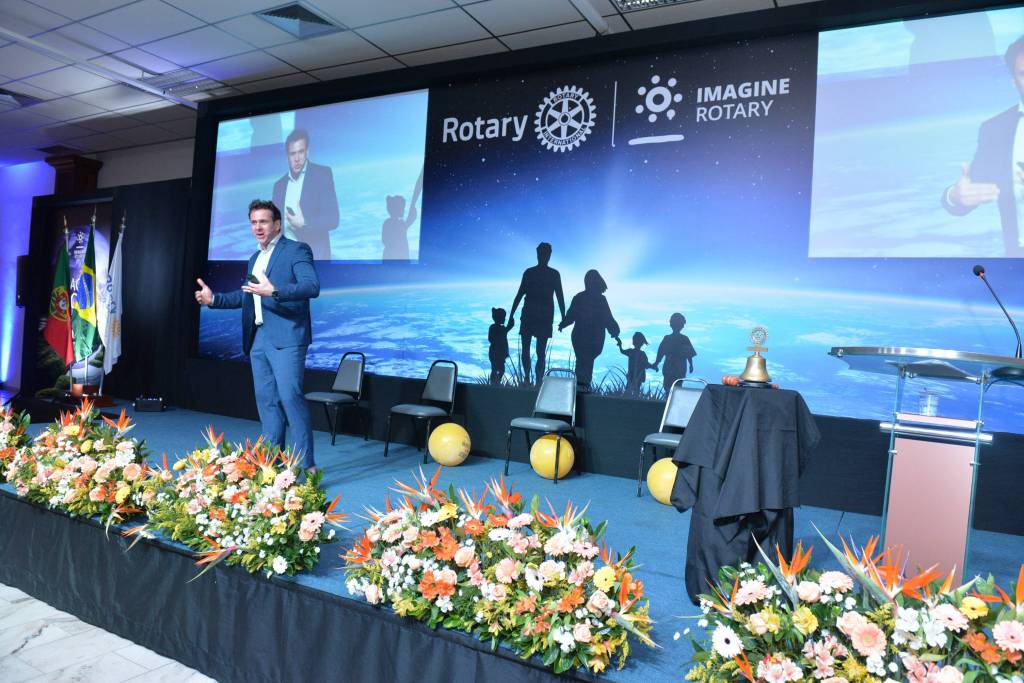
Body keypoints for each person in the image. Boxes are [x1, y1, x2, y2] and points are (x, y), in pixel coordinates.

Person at [194, 200, 320, 471]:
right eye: (253, 222)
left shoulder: (296, 250)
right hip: (258, 338)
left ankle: (305, 465)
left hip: (287, 337)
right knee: (267, 402)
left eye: (263, 221)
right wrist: (214, 299)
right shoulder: (255, 258)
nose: (258, 227)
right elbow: (247, 296)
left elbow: (311, 286)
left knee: (290, 399)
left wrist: (274, 291)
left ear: (277, 224)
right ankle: (271, 464)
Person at [941, 35, 1024, 257]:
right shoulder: (994, 130)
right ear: (1013, 80)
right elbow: (969, 190)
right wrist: (955, 196)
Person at [272, 128, 340, 261]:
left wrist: (305, 223)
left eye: (301, 152)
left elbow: (333, 219)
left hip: (314, 259)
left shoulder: (322, 175)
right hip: (286, 260)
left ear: (307, 152)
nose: (297, 159)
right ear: (287, 156)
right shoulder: (279, 186)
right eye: (293, 154)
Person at [509, 242, 565, 385]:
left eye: (545, 253)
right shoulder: (536, 273)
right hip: (534, 316)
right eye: (542, 253)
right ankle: (529, 378)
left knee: (537, 351)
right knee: (532, 350)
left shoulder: (542, 273)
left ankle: (534, 379)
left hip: (540, 317)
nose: (543, 256)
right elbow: (520, 294)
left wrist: (564, 317)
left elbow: (560, 296)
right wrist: (511, 315)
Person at [559, 269, 620, 391]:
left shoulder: (581, 298)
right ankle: (582, 386)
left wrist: (563, 324)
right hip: (589, 338)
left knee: (583, 362)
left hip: (586, 337)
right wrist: (614, 331)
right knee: (585, 362)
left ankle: (581, 386)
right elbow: (608, 319)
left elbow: (607, 318)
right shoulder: (597, 299)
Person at [382, 169, 424, 260]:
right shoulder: (398, 224)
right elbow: (408, 222)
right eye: (402, 208)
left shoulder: (389, 223)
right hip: (396, 258)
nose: (404, 210)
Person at [654, 312, 696, 392]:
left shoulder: (681, 339)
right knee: (672, 388)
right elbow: (660, 352)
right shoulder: (681, 339)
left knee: (674, 388)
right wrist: (691, 364)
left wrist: (691, 364)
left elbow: (688, 354)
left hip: (676, 368)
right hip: (673, 368)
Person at [487, 307, 515, 384]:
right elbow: (490, 338)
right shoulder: (495, 328)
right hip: (496, 352)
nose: (504, 319)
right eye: (503, 317)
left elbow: (507, 329)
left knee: (498, 369)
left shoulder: (499, 328)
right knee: (497, 369)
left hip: (497, 353)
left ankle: (495, 382)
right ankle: (494, 382)